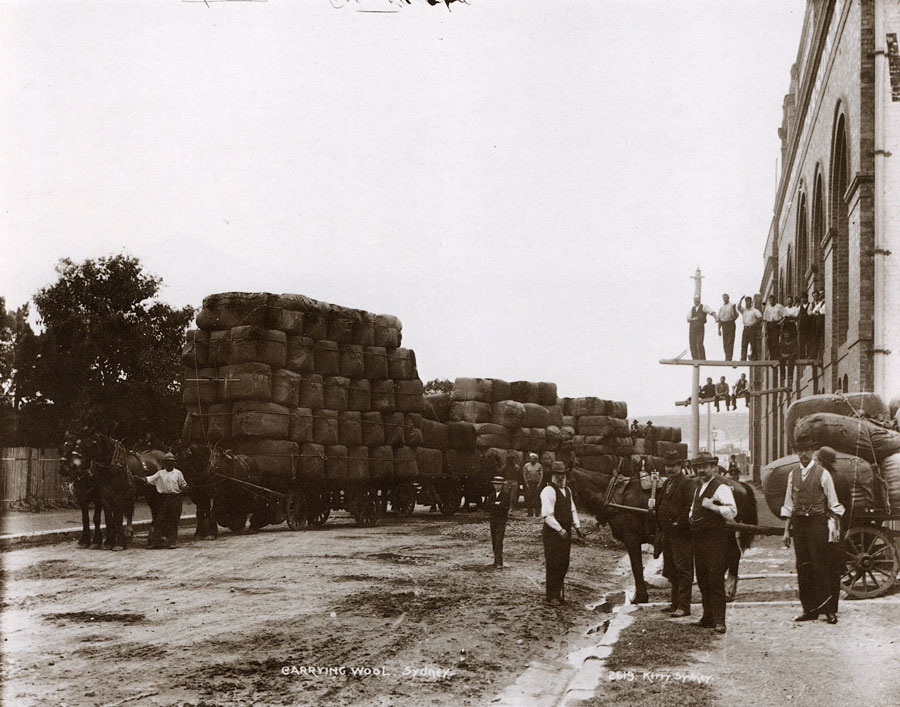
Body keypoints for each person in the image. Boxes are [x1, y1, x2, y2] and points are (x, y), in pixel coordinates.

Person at [781, 444, 844, 624]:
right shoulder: (793, 475)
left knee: (821, 565)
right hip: (799, 524)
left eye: (806, 450)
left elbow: (833, 503)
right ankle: (809, 610)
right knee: (803, 566)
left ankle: (829, 610)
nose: (803, 454)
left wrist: (834, 530)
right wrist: (786, 531)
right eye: (799, 451)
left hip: (818, 523)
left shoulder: (823, 474)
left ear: (813, 452)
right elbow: (789, 504)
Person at [689, 451, 737, 633]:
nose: (701, 470)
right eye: (698, 467)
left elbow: (732, 512)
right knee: (702, 578)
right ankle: (707, 617)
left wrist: (713, 506)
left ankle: (720, 621)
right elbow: (693, 508)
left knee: (715, 578)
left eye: (705, 467)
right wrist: (691, 517)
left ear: (713, 467)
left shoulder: (721, 488)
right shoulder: (698, 488)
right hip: (699, 538)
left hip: (714, 538)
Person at [656, 450, 696, 618]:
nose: (670, 469)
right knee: (671, 568)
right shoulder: (667, 483)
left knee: (683, 569)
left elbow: (690, 505)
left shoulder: (687, 483)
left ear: (681, 466)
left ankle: (684, 606)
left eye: (673, 466)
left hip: (681, 533)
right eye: (667, 465)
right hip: (668, 532)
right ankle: (674, 603)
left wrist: (679, 522)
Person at [541, 462, 585, 603]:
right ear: (553, 476)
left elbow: (572, 510)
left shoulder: (568, 490)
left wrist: (577, 527)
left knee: (563, 563)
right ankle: (551, 596)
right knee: (553, 563)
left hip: (566, 531)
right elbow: (547, 515)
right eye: (558, 475)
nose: (561, 477)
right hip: (553, 532)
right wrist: (559, 529)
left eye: (563, 475)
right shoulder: (548, 491)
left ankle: (558, 592)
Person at [140, 452, 188, 549]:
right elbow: (150, 479)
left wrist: (185, 487)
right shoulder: (160, 473)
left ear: (174, 463)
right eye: (167, 462)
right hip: (163, 498)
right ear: (164, 463)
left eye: (171, 462)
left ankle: (172, 542)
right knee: (159, 520)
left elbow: (183, 483)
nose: (169, 464)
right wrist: (140, 479)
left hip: (175, 498)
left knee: (173, 520)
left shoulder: (178, 473)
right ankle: (155, 542)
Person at [487, 475, 512, 568]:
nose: (497, 486)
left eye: (499, 484)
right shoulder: (491, 495)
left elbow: (504, 507)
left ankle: (499, 562)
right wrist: (496, 504)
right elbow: (487, 507)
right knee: (494, 539)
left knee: (499, 539)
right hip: (493, 520)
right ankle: (496, 560)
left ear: (502, 485)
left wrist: (495, 505)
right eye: (496, 484)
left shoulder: (506, 495)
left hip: (501, 520)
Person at [687, 295, 717, 360]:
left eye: (697, 299)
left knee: (699, 343)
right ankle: (695, 359)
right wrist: (694, 319)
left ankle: (702, 358)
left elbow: (712, 311)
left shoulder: (704, 307)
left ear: (699, 300)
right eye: (695, 299)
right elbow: (688, 319)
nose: (696, 301)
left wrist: (716, 318)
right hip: (692, 328)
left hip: (700, 327)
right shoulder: (692, 309)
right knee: (692, 343)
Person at [738, 295, 762, 361]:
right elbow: (738, 307)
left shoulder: (754, 310)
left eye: (748, 302)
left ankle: (754, 358)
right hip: (745, 329)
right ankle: (743, 358)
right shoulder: (744, 310)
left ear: (751, 302)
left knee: (753, 344)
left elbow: (760, 317)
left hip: (752, 329)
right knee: (744, 344)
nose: (747, 303)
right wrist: (741, 300)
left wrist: (755, 324)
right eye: (746, 302)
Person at [717, 294, 739, 361]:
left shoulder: (732, 305)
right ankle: (726, 356)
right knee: (725, 342)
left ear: (728, 298)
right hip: (724, 325)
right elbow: (719, 319)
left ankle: (729, 357)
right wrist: (719, 329)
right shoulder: (721, 308)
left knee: (730, 341)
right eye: (724, 298)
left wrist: (734, 309)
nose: (725, 299)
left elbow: (736, 316)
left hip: (730, 323)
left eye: (726, 297)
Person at [763, 294, 785, 362]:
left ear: (775, 300)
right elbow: (765, 320)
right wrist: (765, 329)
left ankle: (776, 356)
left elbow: (785, 316)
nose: (771, 301)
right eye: (770, 300)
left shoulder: (779, 306)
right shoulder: (767, 308)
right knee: (769, 341)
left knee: (775, 340)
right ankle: (772, 356)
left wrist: (779, 323)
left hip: (776, 324)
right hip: (769, 324)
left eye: (772, 300)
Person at [522, 452, 544, 518]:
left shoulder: (539, 465)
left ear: (536, 459)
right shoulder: (526, 465)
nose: (532, 459)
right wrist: (526, 484)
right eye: (531, 458)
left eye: (534, 458)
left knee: (537, 498)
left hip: (537, 483)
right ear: (530, 459)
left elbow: (541, 475)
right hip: (529, 483)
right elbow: (524, 475)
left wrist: (539, 483)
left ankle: (537, 513)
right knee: (529, 498)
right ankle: (530, 513)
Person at [797, 292, 814, 359]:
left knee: (808, 340)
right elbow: (797, 314)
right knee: (801, 340)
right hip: (802, 327)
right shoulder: (799, 307)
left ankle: (809, 354)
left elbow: (810, 313)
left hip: (808, 326)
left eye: (804, 298)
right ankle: (802, 355)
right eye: (802, 298)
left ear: (807, 298)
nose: (803, 299)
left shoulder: (810, 305)